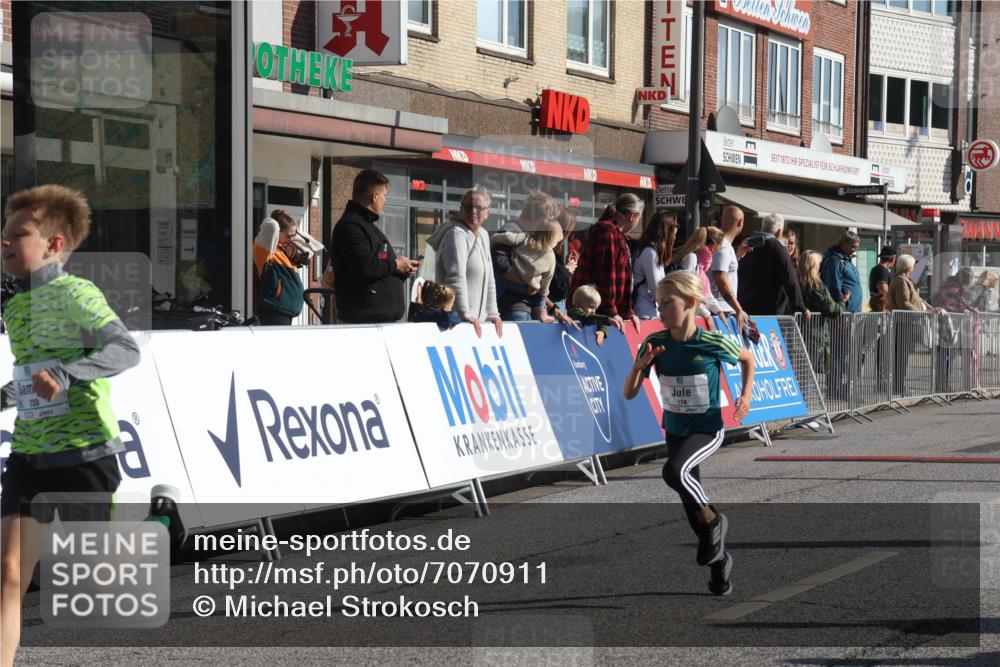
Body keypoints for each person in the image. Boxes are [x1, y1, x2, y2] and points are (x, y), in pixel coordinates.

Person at [0, 185, 141, 667]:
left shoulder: (76, 293)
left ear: (54, 245)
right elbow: (29, 376)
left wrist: (65, 374)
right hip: (29, 456)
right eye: (3, 235)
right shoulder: (14, 307)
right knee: (10, 571)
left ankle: (158, 518)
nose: (5, 244)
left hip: (85, 454)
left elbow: (127, 349)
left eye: (18, 235)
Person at [623, 271, 754, 596]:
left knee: (675, 472)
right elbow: (629, 392)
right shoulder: (656, 344)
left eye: (668, 302)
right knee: (690, 503)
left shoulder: (710, 340)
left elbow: (748, 358)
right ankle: (719, 567)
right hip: (676, 430)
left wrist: (745, 396)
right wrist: (639, 369)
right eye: (658, 303)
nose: (661, 309)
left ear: (691, 303)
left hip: (707, 428)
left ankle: (715, 522)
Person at [329, 169, 420, 324]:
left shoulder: (367, 226)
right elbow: (365, 266)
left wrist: (401, 271)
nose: (385, 200)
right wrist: (396, 265)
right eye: (384, 195)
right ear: (374, 196)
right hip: (363, 323)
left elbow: (378, 267)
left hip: (377, 321)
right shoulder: (350, 226)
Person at [426, 185, 503, 337]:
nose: (473, 212)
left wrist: (493, 313)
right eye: (468, 207)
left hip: (475, 322)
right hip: (456, 324)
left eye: (479, 208)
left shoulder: (483, 235)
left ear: (488, 212)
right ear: (461, 209)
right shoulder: (456, 234)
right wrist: (464, 314)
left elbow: (490, 279)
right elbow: (455, 277)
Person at [570, 194, 645, 333]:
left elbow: (620, 278)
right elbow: (606, 272)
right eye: (639, 218)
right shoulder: (607, 229)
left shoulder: (618, 234)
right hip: (592, 310)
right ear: (632, 216)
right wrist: (612, 311)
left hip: (601, 311)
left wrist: (627, 312)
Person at [490, 217, 564, 323]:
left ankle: (490, 308)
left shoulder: (525, 238)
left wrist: (495, 238)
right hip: (532, 287)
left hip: (510, 279)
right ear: (554, 240)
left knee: (497, 285)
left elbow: (508, 238)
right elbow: (546, 280)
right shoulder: (551, 256)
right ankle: (542, 313)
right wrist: (543, 293)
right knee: (541, 294)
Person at [737, 213, 809, 317]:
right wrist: (801, 307)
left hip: (744, 306)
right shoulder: (777, 247)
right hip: (769, 310)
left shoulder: (747, 243)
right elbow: (790, 279)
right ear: (780, 232)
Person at [889, 254, 937, 396]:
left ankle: (899, 385)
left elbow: (917, 299)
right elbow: (904, 303)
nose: (915, 268)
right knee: (901, 357)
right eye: (913, 265)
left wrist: (929, 308)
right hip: (904, 322)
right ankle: (898, 387)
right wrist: (921, 313)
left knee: (902, 357)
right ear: (908, 267)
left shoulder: (905, 280)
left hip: (907, 322)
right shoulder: (901, 281)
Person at [797, 250, 846, 381]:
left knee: (799, 371)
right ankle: (806, 400)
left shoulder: (795, 284)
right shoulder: (817, 286)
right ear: (813, 266)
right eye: (819, 264)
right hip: (813, 334)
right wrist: (842, 301)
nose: (821, 266)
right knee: (807, 373)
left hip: (796, 332)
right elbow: (832, 310)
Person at [252, 210, 304, 325]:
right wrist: (276, 217)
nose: (291, 240)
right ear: (277, 232)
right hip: (273, 312)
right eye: (288, 236)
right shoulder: (265, 249)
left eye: (293, 236)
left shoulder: (284, 250)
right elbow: (271, 226)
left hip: (284, 312)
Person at [632, 210, 680, 320]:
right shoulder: (651, 253)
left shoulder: (650, 250)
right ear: (667, 228)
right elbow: (657, 290)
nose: (677, 229)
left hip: (648, 310)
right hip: (646, 313)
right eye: (676, 225)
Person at [673, 226, 725, 319]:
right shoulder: (692, 258)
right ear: (713, 246)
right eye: (718, 248)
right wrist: (706, 314)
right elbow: (687, 291)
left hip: (695, 314)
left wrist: (718, 311)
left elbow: (706, 294)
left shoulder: (700, 264)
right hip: (687, 316)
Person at [710, 205, 750, 327]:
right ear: (740, 222)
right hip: (722, 311)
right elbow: (720, 278)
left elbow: (723, 270)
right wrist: (738, 308)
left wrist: (738, 255)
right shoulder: (724, 247)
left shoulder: (724, 246)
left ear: (722, 220)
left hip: (720, 309)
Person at [821, 230, 863, 314]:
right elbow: (834, 287)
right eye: (853, 247)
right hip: (845, 312)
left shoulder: (846, 260)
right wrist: (840, 309)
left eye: (857, 247)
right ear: (844, 244)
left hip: (853, 311)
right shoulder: (835, 261)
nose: (855, 250)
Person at [869, 246, 896, 311]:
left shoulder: (877, 269)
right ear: (893, 258)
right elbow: (883, 292)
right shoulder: (881, 270)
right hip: (882, 310)